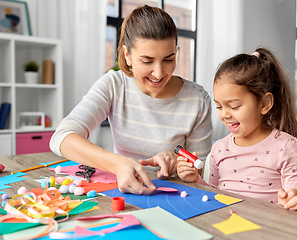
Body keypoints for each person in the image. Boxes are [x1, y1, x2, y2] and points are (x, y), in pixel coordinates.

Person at [50, 5, 212, 195]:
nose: (159, 73)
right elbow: (61, 138)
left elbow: (199, 170)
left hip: (175, 196)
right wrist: (118, 163)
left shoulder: (197, 99)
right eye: (147, 61)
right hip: (123, 194)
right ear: (128, 56)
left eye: (168, 59)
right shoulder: (114, 85)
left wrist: (177, 164)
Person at [177, 47, 297, 214]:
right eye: (219, 106)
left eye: (234, 106)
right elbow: (214, 194)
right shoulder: (219, 148)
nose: (225, 114)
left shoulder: (286, 147)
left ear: (264, 104)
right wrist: (195, 180)